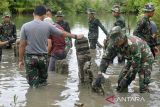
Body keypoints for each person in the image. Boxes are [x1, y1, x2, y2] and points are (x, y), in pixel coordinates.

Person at [18, 5, 84, 87]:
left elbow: (22, 45)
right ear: (44, 15)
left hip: (30, 58)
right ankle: (44, 98)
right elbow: (62, 33)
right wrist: (76, 36)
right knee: (43, 83)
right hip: (43, 58)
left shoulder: (25, 26)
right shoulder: (48, 26)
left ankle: (35, 98)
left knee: (33, 85)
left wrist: (20, 60)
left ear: (33, 13)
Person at [95, 26, 154, 93]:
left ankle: (145, 95)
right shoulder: (112, 43)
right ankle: (124, 98)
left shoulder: (133, 44)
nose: (116, 44)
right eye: (114, 42)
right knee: (120, 82)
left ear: (122, 37)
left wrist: (127, 79)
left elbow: (135, 66)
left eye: (117, 41)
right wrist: (100, 73)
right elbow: (105, 58)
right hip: (131, 58)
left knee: (143, 87)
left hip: (145, 59)